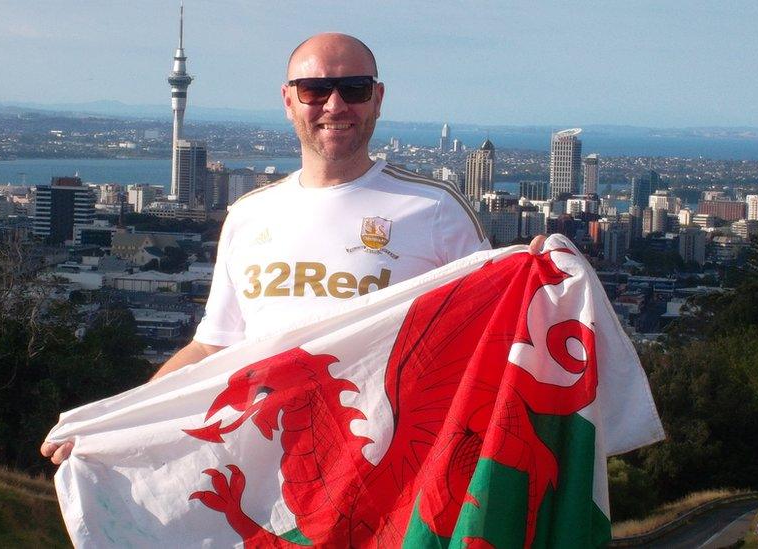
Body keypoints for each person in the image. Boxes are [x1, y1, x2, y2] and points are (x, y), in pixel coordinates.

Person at [42, 32, 544, 464]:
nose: (335, 105)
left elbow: (495, 334)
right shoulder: (248, 215)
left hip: (388, 463)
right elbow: (213, 346)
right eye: (314, 89)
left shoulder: (434, 208)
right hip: (264, 464)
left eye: (354, 88)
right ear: (288, 99)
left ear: (378, 98)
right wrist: (118, 421)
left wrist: (542, 281)